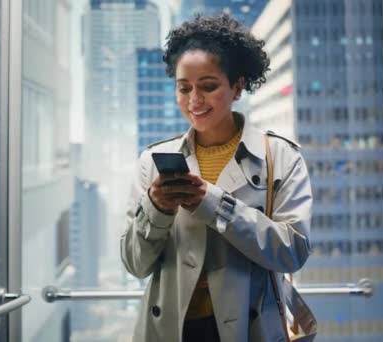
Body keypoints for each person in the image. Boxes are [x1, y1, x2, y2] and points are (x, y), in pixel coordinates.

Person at [120, 14, 312, 342]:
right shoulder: (151, 163)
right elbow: (135, 264)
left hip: (248, 330)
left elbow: (292, 251)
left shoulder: (281, 157)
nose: (194, 100)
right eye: (184, 88)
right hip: (171, 330)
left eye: (208, 87)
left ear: (238, 86)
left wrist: (214, 205)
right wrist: (156, 208)